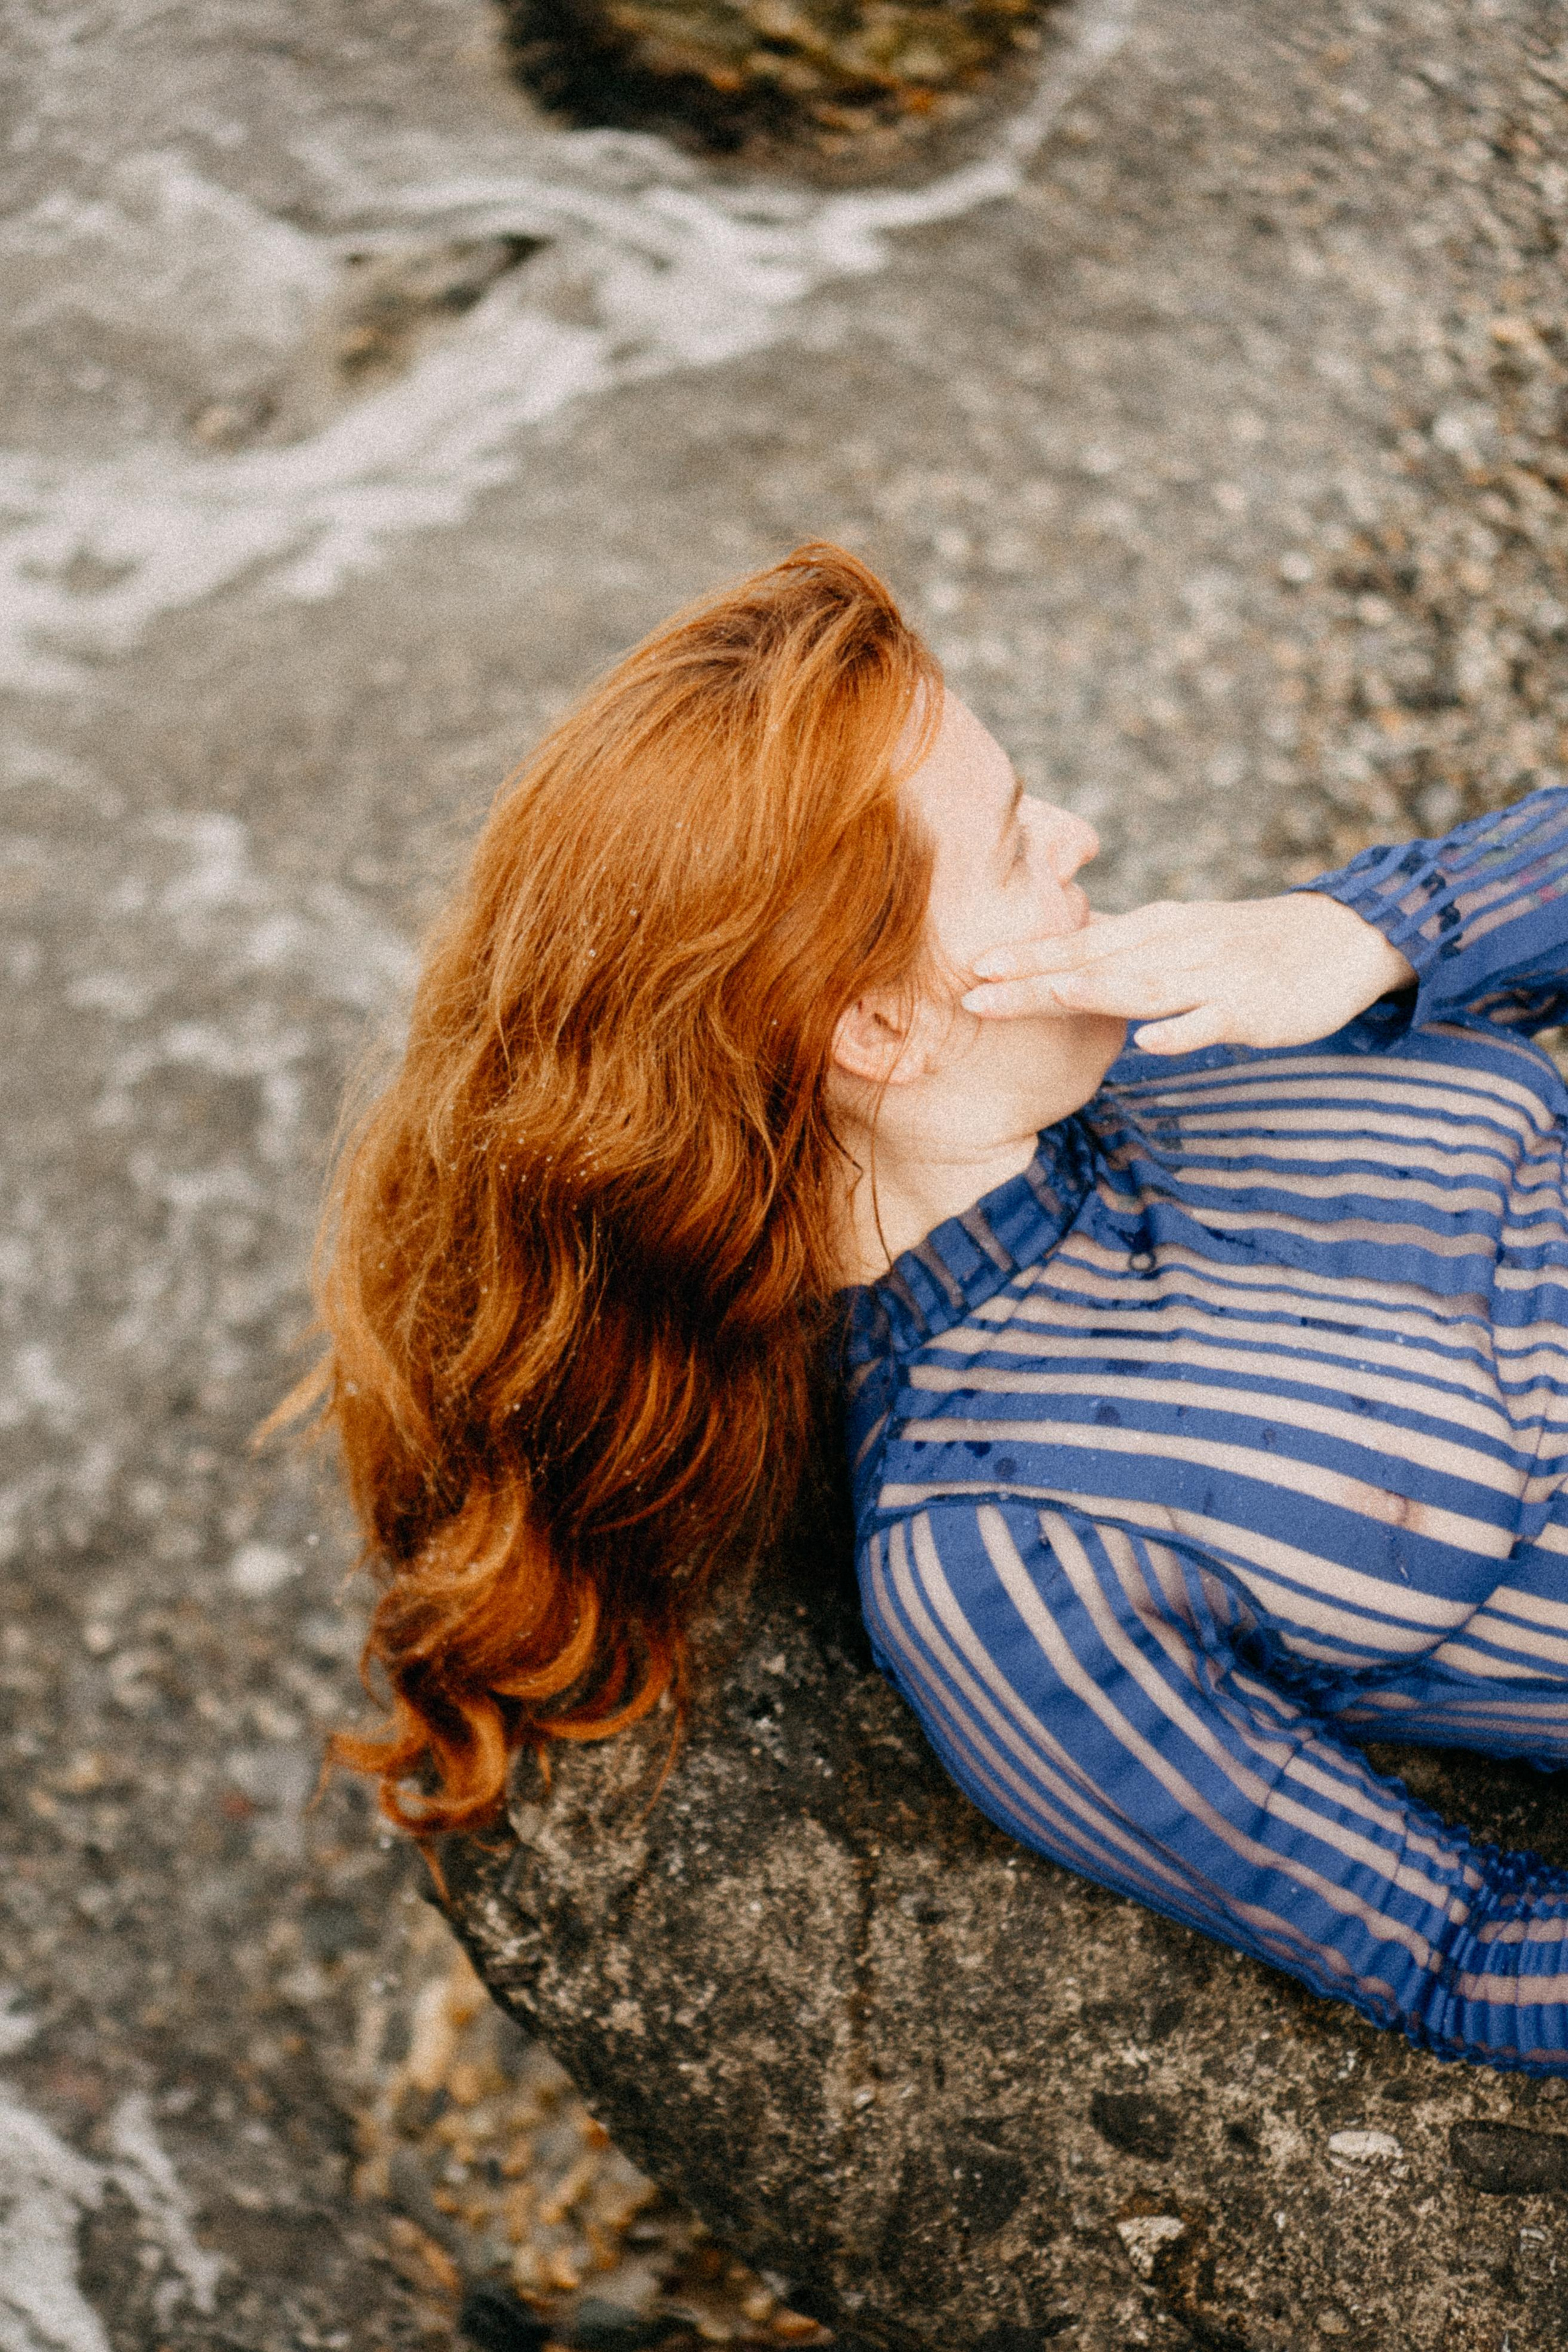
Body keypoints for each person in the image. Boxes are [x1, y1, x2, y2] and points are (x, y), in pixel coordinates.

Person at [303, 543, 1568, 2076]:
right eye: (1018, 838)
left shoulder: (1195, 1011)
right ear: (880, 1027)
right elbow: (1451, 1949)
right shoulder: (1002, 1555)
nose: (1082, 836)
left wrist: (1373, 925)